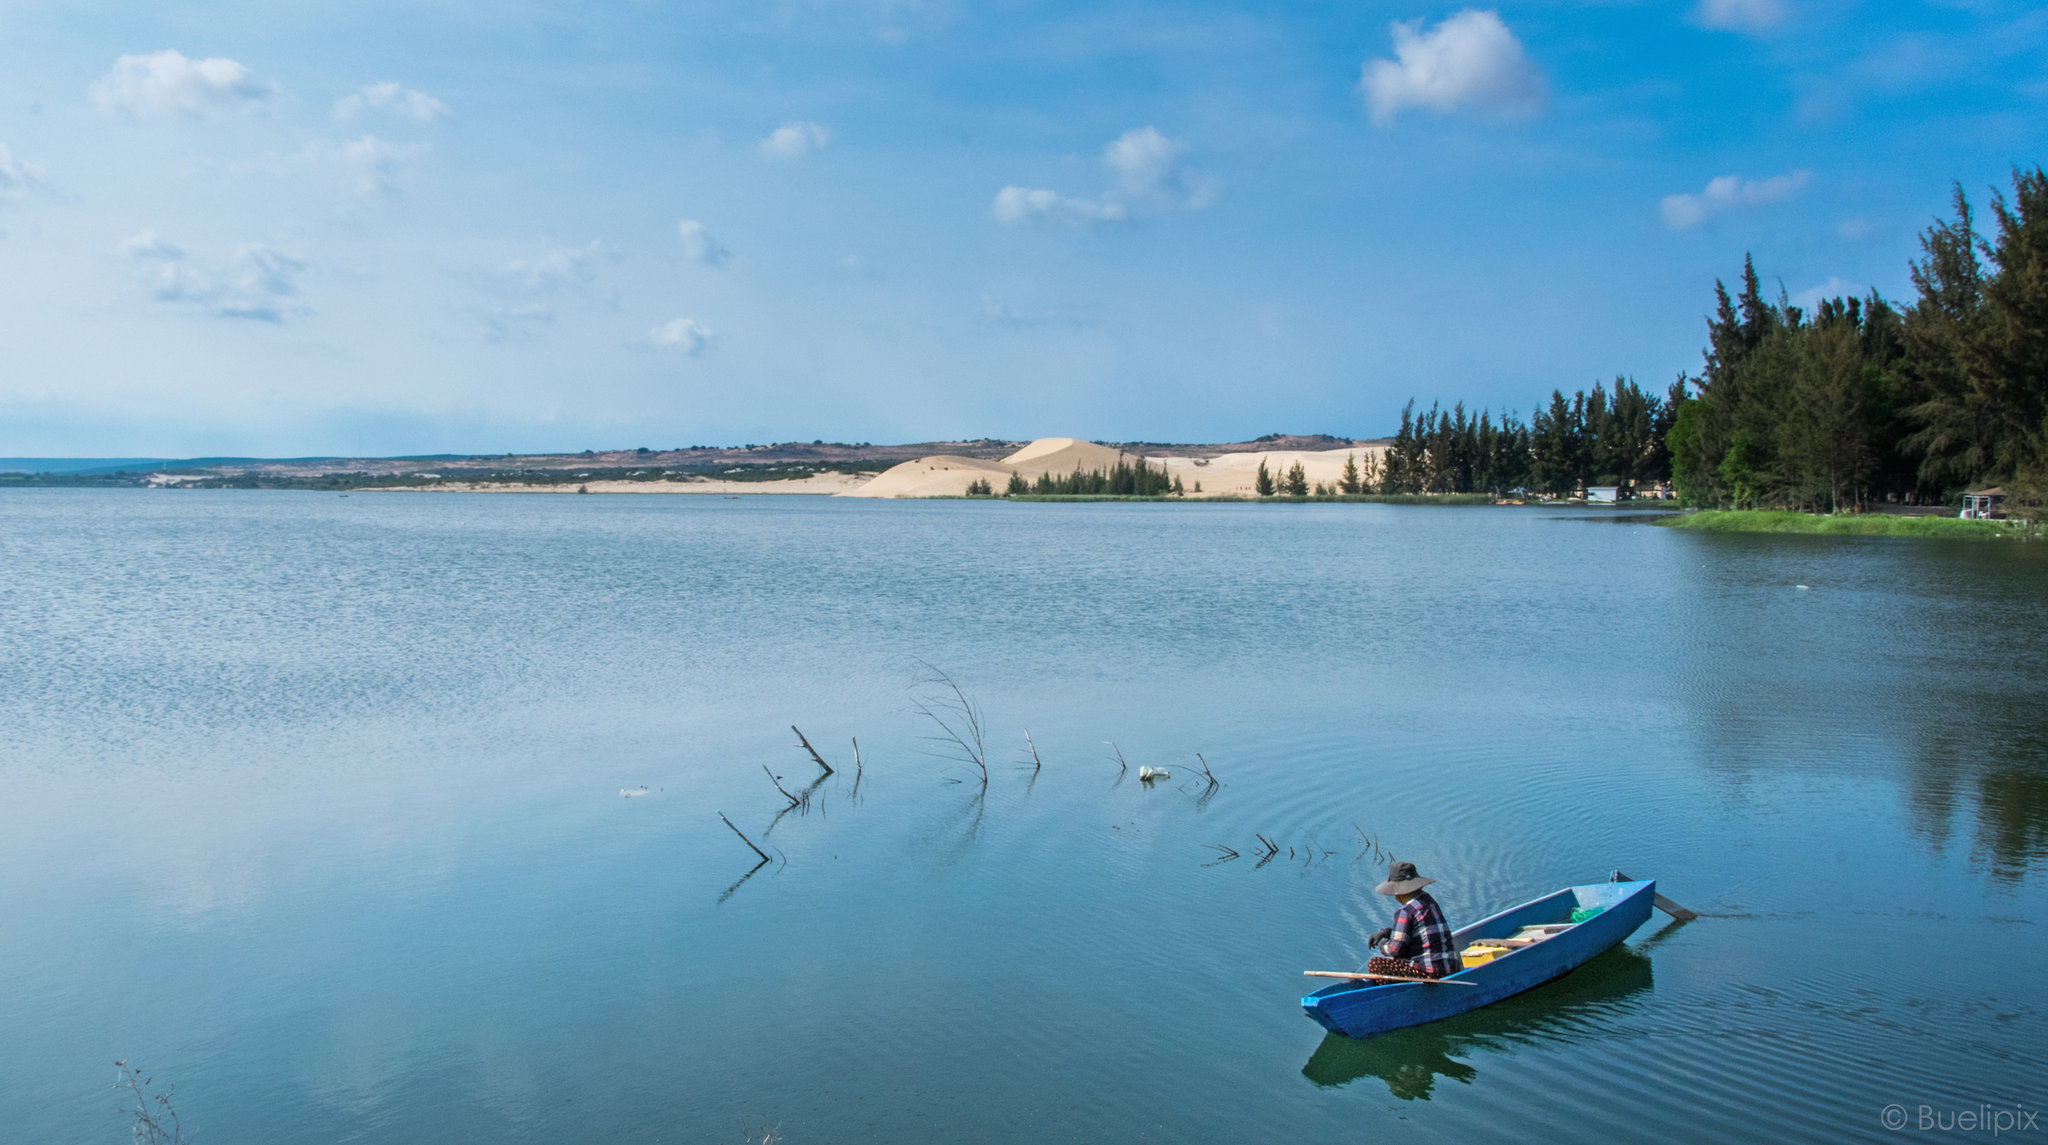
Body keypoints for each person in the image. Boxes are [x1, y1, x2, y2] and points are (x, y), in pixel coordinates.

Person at [1365, 860, 1462, 980]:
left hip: (1430, 974)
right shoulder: (1429, 901)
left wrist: (1383, 945)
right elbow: (1417, 932)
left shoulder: (1405, 911)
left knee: (1375, 964)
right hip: (1450, 968)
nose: (1395, 897)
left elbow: (1394, 950)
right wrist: (1385, 932)